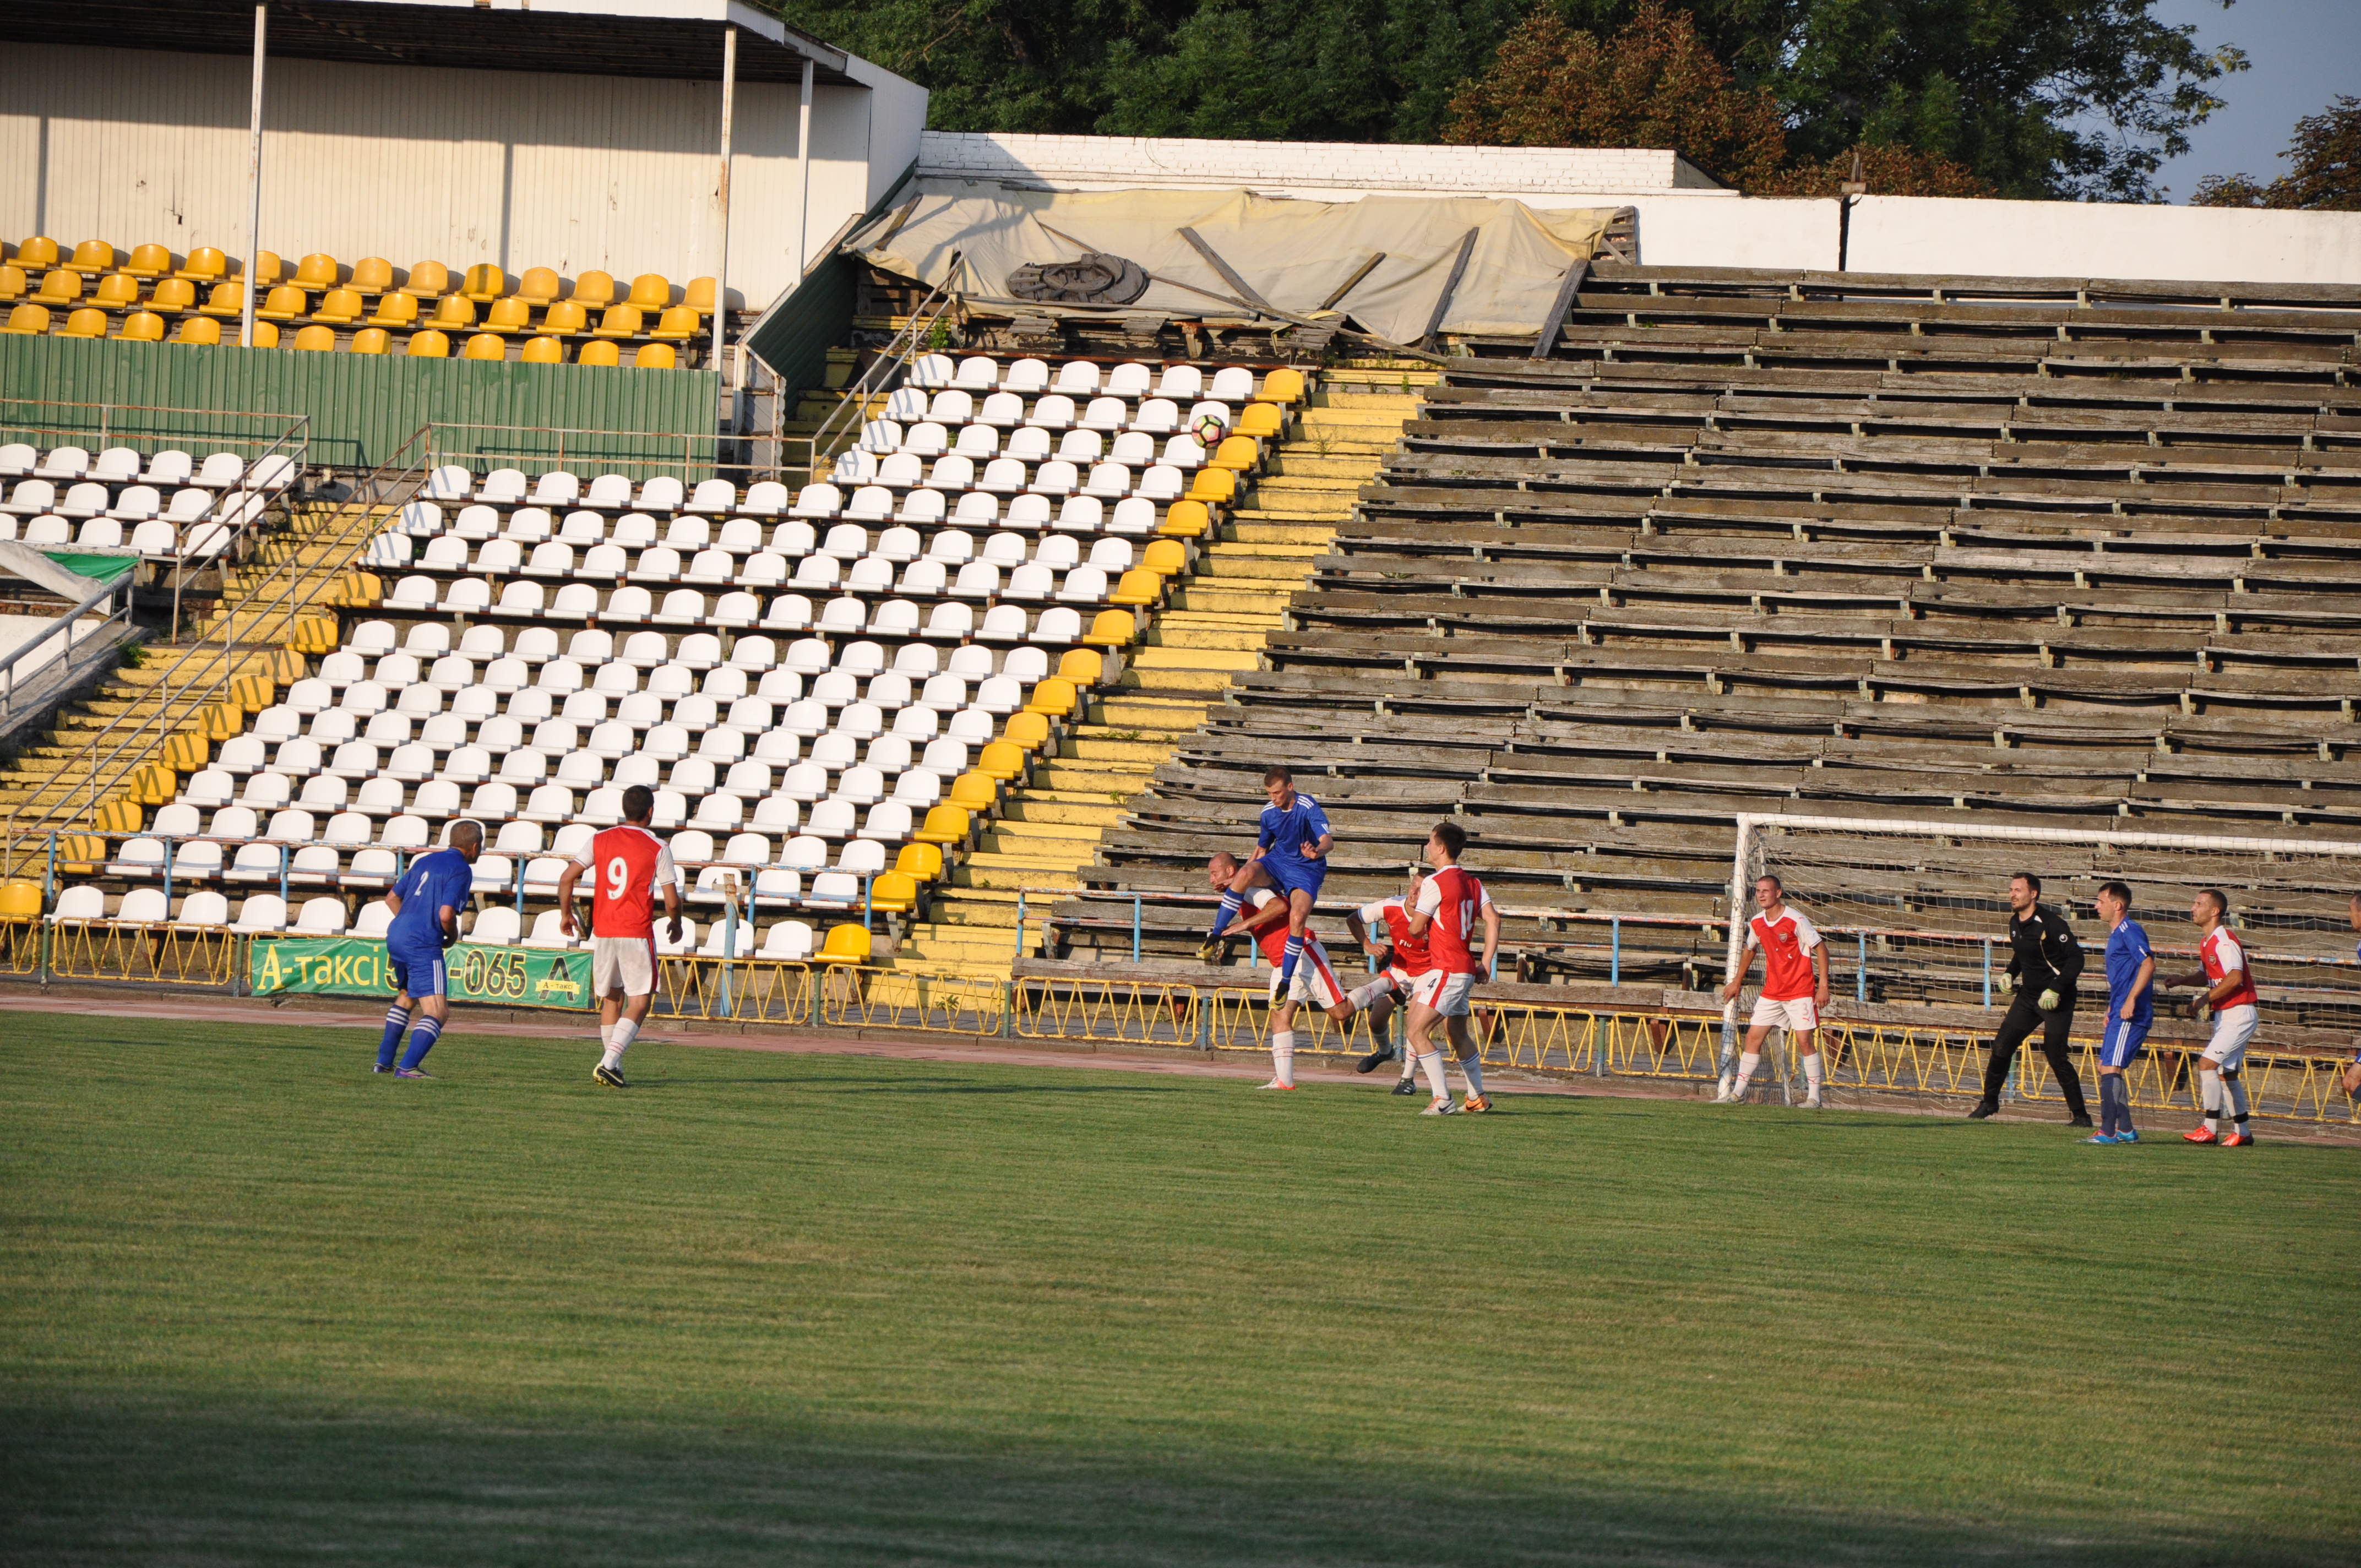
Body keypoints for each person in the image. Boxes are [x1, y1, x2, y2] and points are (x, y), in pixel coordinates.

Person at [1205, 852, 1391, 1090]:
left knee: (1341, 1012)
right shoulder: (1240, 893)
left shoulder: (1250, 889)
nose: (1211, 879)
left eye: (1214, 873)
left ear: (1230, 871)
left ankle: (1386, 983)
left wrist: (1244, 924)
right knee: (1279, 1014)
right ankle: (1285, 1081)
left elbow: (1279, 906)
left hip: (1303, 952)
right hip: (1282, 963)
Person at [554, 783, 684, 1090]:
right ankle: (609, 1062)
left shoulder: (599, 839)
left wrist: (566, 914)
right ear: (650, 812)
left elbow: (567, 877)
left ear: (624, 810)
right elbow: (672, 901)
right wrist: (676, 922)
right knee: (640, 1001)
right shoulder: (658, 847)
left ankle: (615, 1068)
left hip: (605, 931)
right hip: (635, 931)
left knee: (612, 998)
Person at [1969, 872, 2091, 1126]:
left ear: (2033, 894)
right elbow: (2023, 953)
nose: (2012, 895)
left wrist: (2056, 989)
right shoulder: (2015, 922)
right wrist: (2010, 973)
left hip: (2057, 999)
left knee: (2056, 1056)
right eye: (2011, 890)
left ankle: (2081, 1116)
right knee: (2001, 1047)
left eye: (2018, 890)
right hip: (2028, 997)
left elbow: (2076, 959)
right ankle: (1989, 1102)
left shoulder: (2051, 923)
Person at [1202, 768, 1332, 999]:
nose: (1273, 798)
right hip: (1278, 862)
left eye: (1277, 793)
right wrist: (1238, 879)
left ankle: (1285, 983)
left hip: (1307, 870)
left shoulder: (1307, 806)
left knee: (1297, 917)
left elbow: (1328, 841)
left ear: (1290, 788)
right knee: (1245, 873)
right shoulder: (1268, 812)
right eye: (1269, 793)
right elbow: (1261, 850)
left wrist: (1317, 852)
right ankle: (1215, 936)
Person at [1401, 821, 1500, 1115]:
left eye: (1430, 842)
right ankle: (1477, 1097)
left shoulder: (1435, 882)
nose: (1427, 847)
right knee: (1457, 1032)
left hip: (1447, 968)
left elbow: (1415, 929)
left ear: (1441, 848)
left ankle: (1443, 1099)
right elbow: (1493, 920)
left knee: (1416, 1031)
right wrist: (1486, 962)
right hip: (1464, 968)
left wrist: (1414, 913)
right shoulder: (1473, 882)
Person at [375, 819, 483, 1079]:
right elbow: (446, 915)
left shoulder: (424, 861)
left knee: (407, 996)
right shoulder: (461, 869)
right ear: (475, 846)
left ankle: (383, 1063)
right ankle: (407, 1067)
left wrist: (409, 924)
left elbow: (392, 897)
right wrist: (452, 935)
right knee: (437, 1011)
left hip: (397, 935)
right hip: (422, 943)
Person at [1715, 874, 1832, 1107]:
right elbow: (1750, 949)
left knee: (1804, 1041)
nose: (1761, 895)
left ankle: (1814, 1098)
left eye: (1766, 891)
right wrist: (1737, 981)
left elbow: (1821, 948)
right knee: (1753, 1037)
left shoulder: (1795, 919)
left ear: (1778, 893)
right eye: (1758, 891)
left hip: (1800, 991)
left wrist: (1824, 986)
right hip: (1772, 992)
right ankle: (1737, 1094)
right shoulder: (1757, 922)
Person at [2165, 888, 2260, 1146]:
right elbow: (2206, 975)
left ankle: (2209, 1128)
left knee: (2207, 1064)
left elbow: (2235, 977)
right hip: (2226, 1014)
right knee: (2227, 1074)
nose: (2193, 908)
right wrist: (2183, 980)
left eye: (2199, 904)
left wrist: (2204, 999)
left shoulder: (2224, 940)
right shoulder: (2207, 941)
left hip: (2239, 1013)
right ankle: (2243, 1132)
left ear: (2215, 911)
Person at [2088, 880, 2155, 1145]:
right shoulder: (2116, 934)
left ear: (2118, 905)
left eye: (2101, 901)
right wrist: (2112, 1006)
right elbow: (2123, 977)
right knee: (2105, 1066)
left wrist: (2130, 1001)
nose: (2096, 906)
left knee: (2111, 1068)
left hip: (2131, 1014)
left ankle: (2108, 1132)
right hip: (2119, 1011)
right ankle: (2125, 1129)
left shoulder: (2130, 930)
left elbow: (2148, 964)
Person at [1347, 876, 1427, 1096]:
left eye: (1421, 890)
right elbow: (1353, 919)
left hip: (1428, 973)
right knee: (1376, 1021)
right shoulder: (1392, 905)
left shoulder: (1436, 914)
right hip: (1400, 970)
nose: (1414, 893)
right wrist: (1368, 945)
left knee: (1415, 1026)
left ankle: (1407, 1080)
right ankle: (1385, 1052)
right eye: (1413, 886)